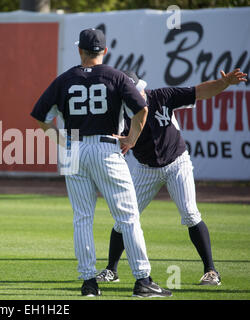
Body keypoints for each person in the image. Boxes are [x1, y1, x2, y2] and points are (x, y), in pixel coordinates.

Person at [30, 28, 172, 298]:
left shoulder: (64, 80)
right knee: (128, 218)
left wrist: (63, 142)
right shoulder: (115, 76)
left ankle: (88, 283)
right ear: (104, 51)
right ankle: (143, 281)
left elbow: (40, 116)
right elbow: (142, 108)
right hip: (106, 148)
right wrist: (130, 138)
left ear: (80, 50)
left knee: (82, 218)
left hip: (74, 149)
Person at [96, 69, 247, 286]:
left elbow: (200, 92)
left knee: (190, 213)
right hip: (145, 168)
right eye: (130, 93)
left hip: (177, 162)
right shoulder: (120, 113)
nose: (137, 95)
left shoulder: (162, 97)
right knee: (125, 217)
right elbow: (110, 138)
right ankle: (111, 270)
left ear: (142, 87)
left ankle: (211, 271)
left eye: (137, 90)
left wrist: (224, 83)